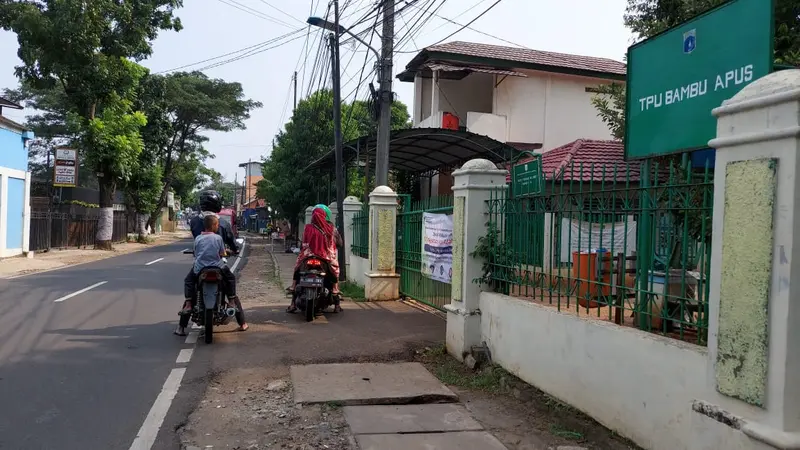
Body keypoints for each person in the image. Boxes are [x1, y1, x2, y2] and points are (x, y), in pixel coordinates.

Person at [175, 190, 245, 336]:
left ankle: (181, 326)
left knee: (192, 287)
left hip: (200, 265)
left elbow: (196, 245)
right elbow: (231, 244)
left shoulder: (194, 222)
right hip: (218, 263)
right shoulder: (223, 224)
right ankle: (242, 322)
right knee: (229, 287)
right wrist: (234, 249)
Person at [286, 204, 342, 314]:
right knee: (335, 271)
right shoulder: (331, 229)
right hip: (326, 257)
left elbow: (303, 242)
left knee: (297, 269)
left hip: (308, 256)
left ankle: (292, 298)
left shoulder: (307, 228)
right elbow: (339, 243)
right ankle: (336, 294)